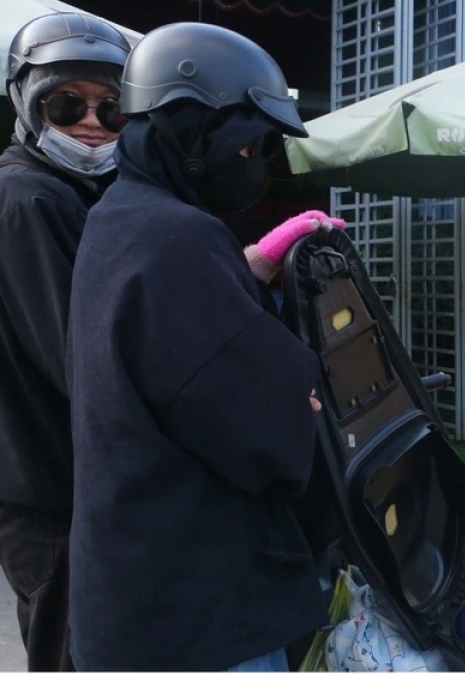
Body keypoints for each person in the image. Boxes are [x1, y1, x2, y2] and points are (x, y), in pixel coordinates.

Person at [65, 22, 343, 671]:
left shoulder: (119, 218)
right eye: (252, 145)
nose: (258, 164)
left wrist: (245, 273)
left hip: (136, 600)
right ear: (193, 130)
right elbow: (272, 429)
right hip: (196, 621)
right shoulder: (175, 237)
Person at [0, 12, 131, 671]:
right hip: (50, 495)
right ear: (29, 103)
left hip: (68, 486)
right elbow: (76, 354)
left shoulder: (79, 193)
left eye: (112, 108)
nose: (91, 122)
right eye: (67, 103)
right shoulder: (28, 198)